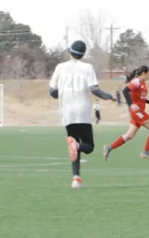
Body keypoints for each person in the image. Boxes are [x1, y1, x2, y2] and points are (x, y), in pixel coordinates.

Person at [48, 40, 116, 189]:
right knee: (88, 146)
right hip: (82, 110)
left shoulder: (60, 67)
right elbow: (94, 89)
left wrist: (64, 94)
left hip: (66, 111)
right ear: (83, 54)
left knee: (73, 144)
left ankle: (76, 178)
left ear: (70, 51)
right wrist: (109, 96)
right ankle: (77, 153)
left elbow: (52, 92)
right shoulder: (87, 67)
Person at [103, 65, 149, 161]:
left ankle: (109, 147)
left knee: (129, 135)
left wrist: (148, 102)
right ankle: (145, 152)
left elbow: (139, 97)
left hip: (137, 112)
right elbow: (125, 91)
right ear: (144, 73)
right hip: (137, 112)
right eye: (148, 73)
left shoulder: (142, 82)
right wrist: (131, 104)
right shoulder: (136, 82)